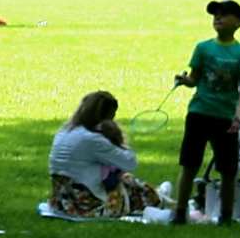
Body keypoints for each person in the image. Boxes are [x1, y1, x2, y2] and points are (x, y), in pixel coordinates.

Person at [170, 0, 240, 226]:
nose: (217, 18)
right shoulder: (203, 48)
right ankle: (179, 212)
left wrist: (238, 113)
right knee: (190, 164)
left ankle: (226, 216)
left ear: (238, 22)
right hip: (199, 112)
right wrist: (184, 80)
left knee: (228, 170)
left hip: (225, 117)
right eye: (215, 14)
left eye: (224, 14)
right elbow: (195, 79)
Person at [48, 90, 158, 218]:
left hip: (61, 202)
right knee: (128, 181)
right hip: (87, 204)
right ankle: (159, 199)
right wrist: (117, 139)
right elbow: (130, 162)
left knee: (122, 179)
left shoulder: (64, 132)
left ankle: (158, 195)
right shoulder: (93, 139)